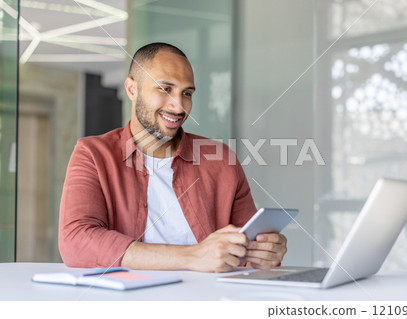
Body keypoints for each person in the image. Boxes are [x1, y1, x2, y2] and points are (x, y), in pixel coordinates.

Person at [59, 42, 287, 272]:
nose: (178, 107)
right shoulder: (93, 154)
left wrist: (264, 254)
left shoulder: (222, 161)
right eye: (165, 89)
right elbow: (76, 241)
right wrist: (192, 256)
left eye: (186, 93)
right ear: (131, 89)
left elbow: (244, 250)